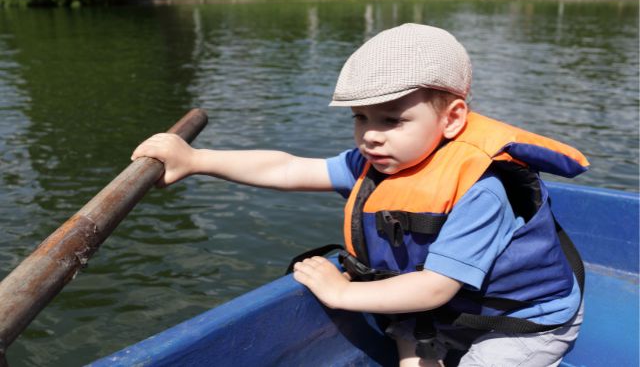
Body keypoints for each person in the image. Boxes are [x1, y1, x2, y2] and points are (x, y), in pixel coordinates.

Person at [131, 24, 587, 366]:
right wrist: (196, 160)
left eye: (390, 120)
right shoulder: (380, 163)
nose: (370, 136)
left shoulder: (484, 188)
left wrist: (340, 294)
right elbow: (288, 167)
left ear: (452, 119)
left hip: (524, 321)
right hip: (451, 309)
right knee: (404, 331)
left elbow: (435, 286)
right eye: (360, 117)